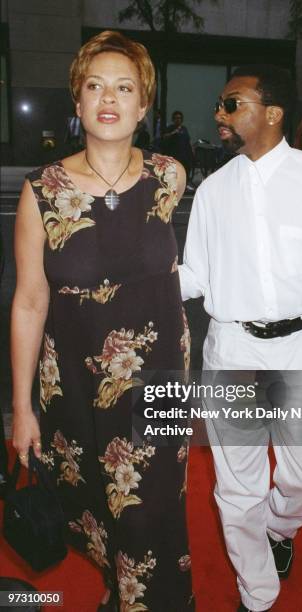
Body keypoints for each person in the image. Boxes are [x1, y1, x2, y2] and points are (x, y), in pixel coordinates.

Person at [11, 30, 193, 612]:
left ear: (144, 106)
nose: (108, 98)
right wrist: (20, 408)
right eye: (95, 86)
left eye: (124, 87)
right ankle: (122, 593)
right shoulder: (42, 192)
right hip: (79, 391)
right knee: (99, 507)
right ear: (78, 101)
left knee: (152, 515)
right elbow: (29, 302)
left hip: (160, 381)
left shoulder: (169, 177)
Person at [179, 65, 302, 611]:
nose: (220, 113)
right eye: (218, 103)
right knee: (237, 490)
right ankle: (257, 593)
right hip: (233, 348)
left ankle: (280, 529)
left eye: (231, 102)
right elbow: (196, 275)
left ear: (271, 111)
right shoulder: (213, 192)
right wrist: (134, 277)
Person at [162, 111, 194, 181]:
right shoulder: (170, 128)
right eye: (176, 118)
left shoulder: (184, 128)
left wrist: (192, 149)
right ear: (173, 119)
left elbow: (188, 140)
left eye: (179, 118)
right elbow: (165, 137)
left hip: (184, 154)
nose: (178, 119)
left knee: (186, 169)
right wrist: (174, 132)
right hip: (174, 154)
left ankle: (185, 183)